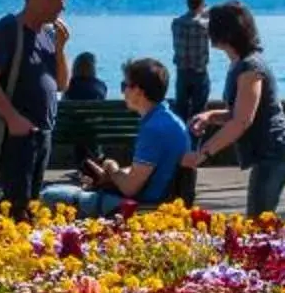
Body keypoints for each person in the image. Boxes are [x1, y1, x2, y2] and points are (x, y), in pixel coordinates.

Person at [188, 0, 285, 218]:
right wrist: (209, 116)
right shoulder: (239, 65)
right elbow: (238, 113)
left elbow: (242, 121)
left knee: (258, 220)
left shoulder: (251, 68)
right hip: (267, 151)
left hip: (276, 150)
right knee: (258, 218)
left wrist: (202, 154)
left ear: (225, 32)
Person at [42, 57, 189, 219]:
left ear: (138, 91)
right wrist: (113, 175)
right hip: (159, 197)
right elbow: (147, 172)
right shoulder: (168, 120)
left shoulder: (154, 129)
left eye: (124, 86)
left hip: (142, 206)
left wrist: (112, 168)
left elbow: (129, 188)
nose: (123, 92)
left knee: (48, 196)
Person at [0, 0, 70, 221]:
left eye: (63, 1)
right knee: (16, 204)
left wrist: (61, 49)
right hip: (17, 134)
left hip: (44, 131)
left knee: (32, 203)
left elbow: (61, 84)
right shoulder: (8, 29)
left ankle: (25, 253)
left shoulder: (50, 35)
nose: (61, 7)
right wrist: (13, 119)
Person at [169, 0, 213, 123]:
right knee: (198, 114)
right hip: (199, 73)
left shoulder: (176, 23)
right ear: (201, 4)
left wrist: (201, 11)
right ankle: (195, 142)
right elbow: (206, 19)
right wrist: (204, 11)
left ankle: (182, 141)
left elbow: (193, 18)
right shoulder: (204, 25)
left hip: (182, 73)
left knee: (181, 112)